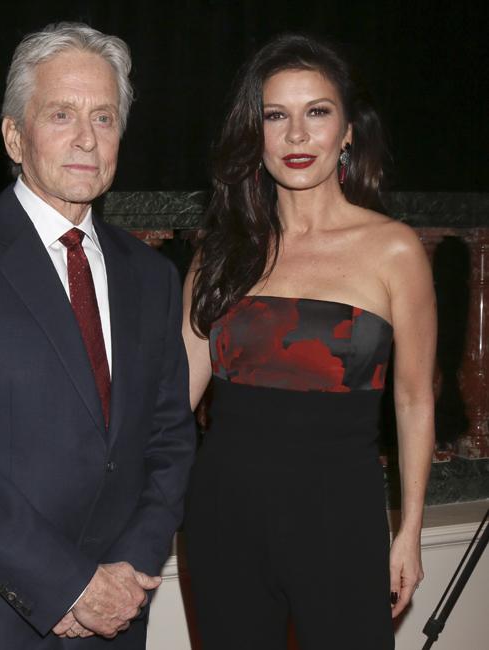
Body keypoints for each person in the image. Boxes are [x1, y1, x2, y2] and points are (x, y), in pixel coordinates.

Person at [0, 22, 195, 650]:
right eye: (61, 114)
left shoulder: (152, 276)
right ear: (13, 136)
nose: (86, 138)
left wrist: (130, 569)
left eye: (104, 118)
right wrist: (69, 586)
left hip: (117, 615)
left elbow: (170, 439)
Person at [182, 33, 435, 650]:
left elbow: (413, 400)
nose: (297, 135)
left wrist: (409, 530)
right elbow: (174, 402)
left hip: (341, 522)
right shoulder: (221, 253)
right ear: (255, 134)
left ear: (347, 131)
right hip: (222, 519)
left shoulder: (394, 250)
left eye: (316, 112)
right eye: (276, 116)